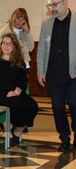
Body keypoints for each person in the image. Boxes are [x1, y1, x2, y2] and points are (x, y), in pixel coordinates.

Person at [37, 0, 76, 152]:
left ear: (65, 3)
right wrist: (40, 71)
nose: (52, 8)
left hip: (72, 74)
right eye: (50, 6)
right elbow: (41, 49)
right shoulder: (46, 24)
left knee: (74, 103)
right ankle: (64, 138)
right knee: (57, 107)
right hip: (53, 74)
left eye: (54, 5)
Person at [0, 32, 38, 145]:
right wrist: (12, 89)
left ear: (15, 46)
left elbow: (23, 81)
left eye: (9, 44)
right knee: (16, 103)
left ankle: (17, 130)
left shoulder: (19, 62)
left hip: (16, 92)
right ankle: (16, 132)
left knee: (32, 105)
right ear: (0, 45)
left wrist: (18, 90)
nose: (6, 46)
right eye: (4, 43)